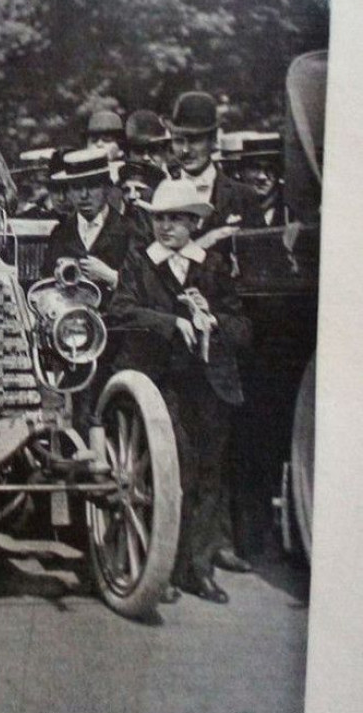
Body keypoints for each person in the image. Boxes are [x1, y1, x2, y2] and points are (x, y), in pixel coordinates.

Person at [109, 178, 252, 604]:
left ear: (193, 223)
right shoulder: (139, 263)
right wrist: (172, 324)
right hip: (159, 381)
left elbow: (244, 328)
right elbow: (120, 310)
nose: (166, 227)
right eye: (160, 218)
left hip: (209, 386)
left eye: (176, 219)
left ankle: (199, 569)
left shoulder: (212, 267)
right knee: (171, 474)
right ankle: (163, 570)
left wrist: (212, 320)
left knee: (208, 473)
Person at [167, 92, 264, 249]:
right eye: (178, 141)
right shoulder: (159, 194)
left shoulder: (244, 196)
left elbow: (264, 258)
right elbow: (146, 266)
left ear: (213, 140)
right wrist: (201, 244)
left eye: (194, 140)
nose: (185, 150)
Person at [42, 148, 134, 300]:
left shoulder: (129, 231)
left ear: (107, 187)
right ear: (69, 191)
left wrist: (112, 277)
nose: (84, 195)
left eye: (92, 186)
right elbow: (45, 287)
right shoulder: (60, 233)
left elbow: (146, 293)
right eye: (77, 187)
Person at [240, 132, 289, 226]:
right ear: (240, 171)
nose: (262, 177)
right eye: (255, 168)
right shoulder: (229, 205)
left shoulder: (291, 206)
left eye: (270, 168)